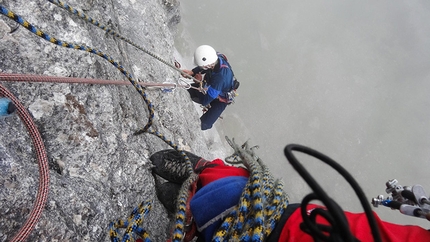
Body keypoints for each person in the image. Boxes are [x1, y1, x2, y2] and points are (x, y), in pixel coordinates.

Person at [150, 149, 430, 242]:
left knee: (229, 202)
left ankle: (196, 214)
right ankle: (206, 172)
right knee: (233, 194)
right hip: (301, 228)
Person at [181, 45, 238, 130]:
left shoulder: (220, 79)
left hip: (220, 100)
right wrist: (192, 72)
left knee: (204, 124)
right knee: (184, 90)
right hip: (213, 87)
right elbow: (205, 66)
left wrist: (199, 83)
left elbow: (205, 100)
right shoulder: (215, 57)